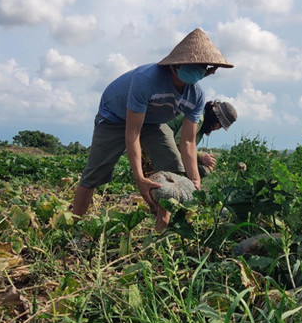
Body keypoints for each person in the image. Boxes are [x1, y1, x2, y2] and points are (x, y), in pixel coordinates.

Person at [71, 28, 233, 230]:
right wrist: (140, 178)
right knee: (94, 174)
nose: (197, 69)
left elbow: (188, 142)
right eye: (192, 64)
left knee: (173, 166)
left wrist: (194, 179)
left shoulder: (196, 96)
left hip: (153, 123)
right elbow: (133, 133)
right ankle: (71, 226)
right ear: (177, 63)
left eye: (202, 65)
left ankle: (161, 228)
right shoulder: (147, 79)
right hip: (114, 117)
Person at [165, 99, 237, 178]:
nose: (217, 129)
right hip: (160, 141)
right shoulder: (198, 118)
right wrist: (200, 157)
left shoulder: (203, 125)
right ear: (214, 118)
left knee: (201, 170)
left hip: (169, 145)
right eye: (219, 125)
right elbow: (180, 144)